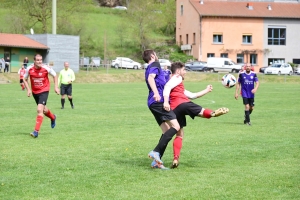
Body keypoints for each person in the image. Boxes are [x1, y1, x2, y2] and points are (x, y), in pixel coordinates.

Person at [163, 62, 229, 168]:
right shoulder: (177, 77)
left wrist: (206, 90)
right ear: (179, 71)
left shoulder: (176, 84)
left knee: (179, 135)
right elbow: (167, 86)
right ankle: (212, 113)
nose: (185, 72)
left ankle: (176, 158)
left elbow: (193, 95)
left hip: (174, 109)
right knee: (203, 112)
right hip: (184, 103)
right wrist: (165, 101)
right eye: (184, 70)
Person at [143, 49, 180, 169]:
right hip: (157, 101)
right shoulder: (155, 64)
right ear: (153, 56)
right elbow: (151, 78)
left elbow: (161, 79)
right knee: (176, 126)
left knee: (166, 131)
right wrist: (156, 93)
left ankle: (157, 161)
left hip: (152, 103)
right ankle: (156, 151)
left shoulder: (150, 67)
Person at [23, 54, 60, 138]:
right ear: (34, 61)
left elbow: (55, 75)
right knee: (43, 110)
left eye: (41, 60)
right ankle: (53, 117)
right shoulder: (29, 69)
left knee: (39, 109)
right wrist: (28, 89)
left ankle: (36, 131)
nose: (39, 61)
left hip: (44, 90)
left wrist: (56, 87)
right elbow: (24, 79)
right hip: (35, 92)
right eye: (38, 60)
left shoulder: (46, 68)